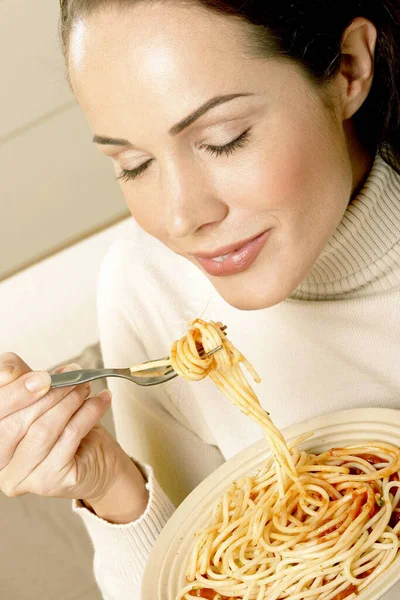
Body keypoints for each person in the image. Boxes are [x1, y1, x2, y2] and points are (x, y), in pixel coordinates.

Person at [1, 0, 400, 597]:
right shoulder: (149, 283)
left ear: (347, 69)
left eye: (223, 140)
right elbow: (189, 577)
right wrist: (113, 488)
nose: (182, 217)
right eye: (133, 166)